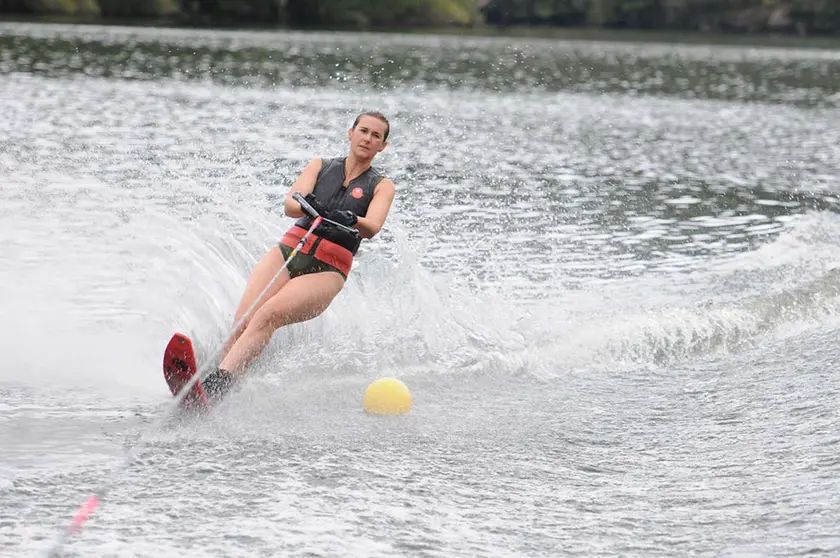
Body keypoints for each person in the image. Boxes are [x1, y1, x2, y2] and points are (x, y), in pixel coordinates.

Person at [200, 111, 395, 401]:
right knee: (245, 320)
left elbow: (373, 227)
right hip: (289, 251)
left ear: (382, 147)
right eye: (363, 131)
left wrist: (352, 219)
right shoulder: (320, 165)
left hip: (328, 269)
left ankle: (219, 386)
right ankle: (214, 383)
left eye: (376, 136)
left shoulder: (381, 186)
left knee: (268, 315)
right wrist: (308, 205)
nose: (367, 138)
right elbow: (290, 206)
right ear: (350, 133)